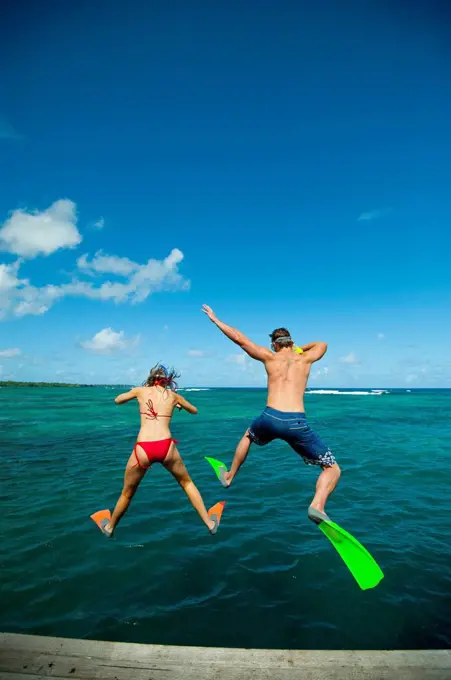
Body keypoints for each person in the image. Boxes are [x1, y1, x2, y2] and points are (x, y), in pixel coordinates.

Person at [202, 305, 341, 524]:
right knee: (332, 469)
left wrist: (215, 320)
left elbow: (239, 339)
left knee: (248, 436)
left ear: (274, 345)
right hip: (296, 422)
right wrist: (297, 349)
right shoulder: (305, 359)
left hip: (270, 418)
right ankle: (317, 506)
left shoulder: (269, 356)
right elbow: (322, 344)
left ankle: (229, 477)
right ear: (291, 343)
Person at [91, 364, 224, 537]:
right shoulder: (174, 396)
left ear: (152, 378)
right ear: (167, 380)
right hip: (166, 447)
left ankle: (110, 528)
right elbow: (195, 411)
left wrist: (137, 393)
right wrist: (179, 405)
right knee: (187, 483)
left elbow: (118, 400)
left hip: (143, 449)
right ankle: (209, 523)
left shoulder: (140, 391)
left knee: (127, 492)